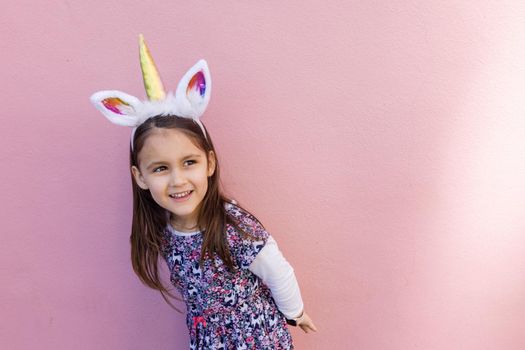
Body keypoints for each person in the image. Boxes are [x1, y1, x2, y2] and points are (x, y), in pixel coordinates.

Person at [90, 35, 317, 349]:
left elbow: (277, 269)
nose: (177, 180)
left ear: (209, 163)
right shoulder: (162, 228)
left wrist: (295, 312)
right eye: (160, 168)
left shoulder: (232, 226)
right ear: (140, 177)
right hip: (209, 338)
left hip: (256, 338)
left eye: (189, 163)